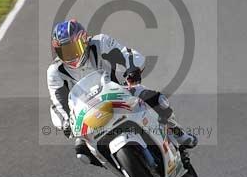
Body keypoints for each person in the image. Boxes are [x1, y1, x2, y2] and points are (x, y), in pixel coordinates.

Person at [47, 19, 197, 166]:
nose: (71, 55)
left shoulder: (100, 43)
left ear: (84, 40)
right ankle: (123, 168)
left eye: (74, 48)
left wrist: (132, 69)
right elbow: (57, 102)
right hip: (87, 115)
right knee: (82, 151)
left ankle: (179, 134)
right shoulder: (55, 72)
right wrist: (66, 121)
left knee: (156, 100)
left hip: (118, 92)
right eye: (64, 51)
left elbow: (128, 54)